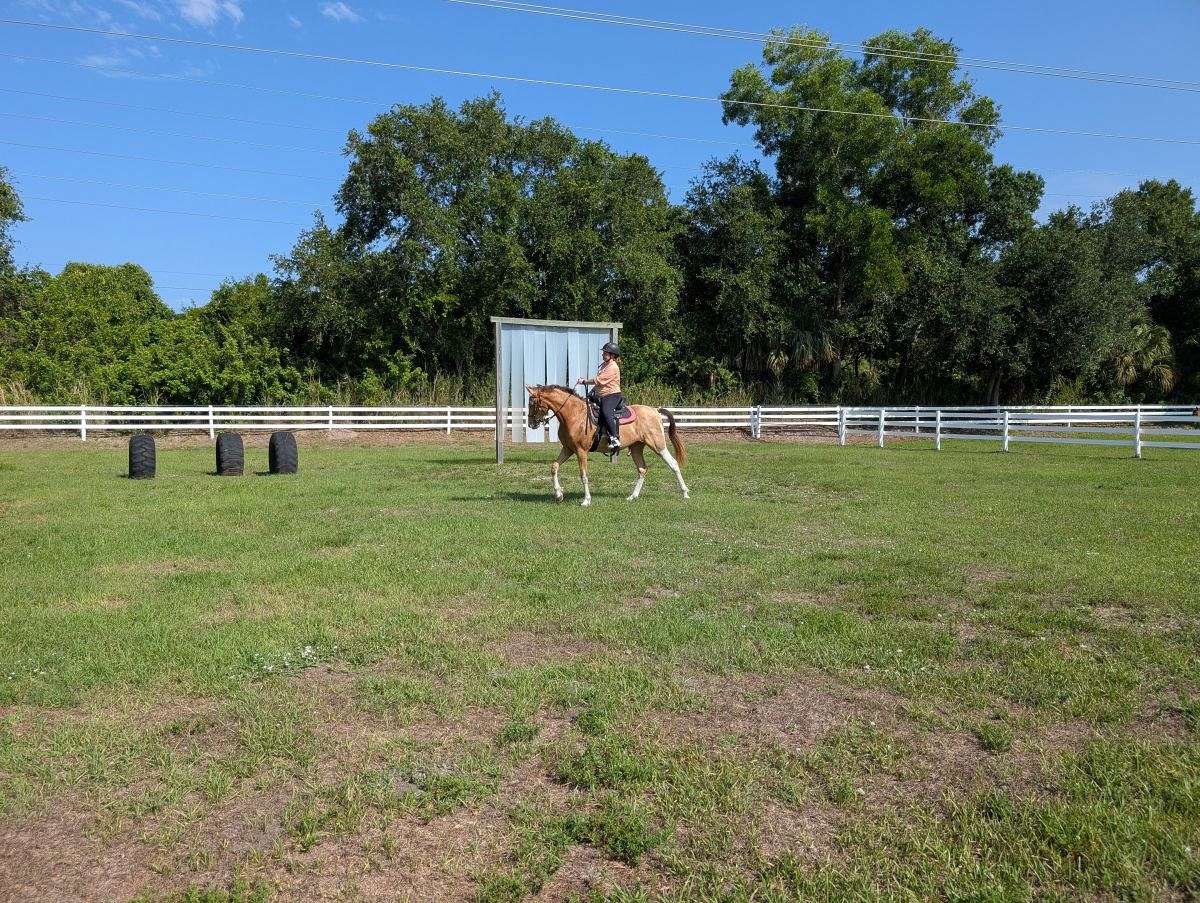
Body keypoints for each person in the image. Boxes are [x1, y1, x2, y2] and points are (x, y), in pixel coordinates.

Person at [576, 342, 623, 451]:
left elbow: (598, 380)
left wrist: (584, 381)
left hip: (612, 395)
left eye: (605, 353)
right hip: (602, 395)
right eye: (603, 353)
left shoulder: (613, 367)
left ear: (612, 355)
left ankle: (615, 438)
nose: (603, 354)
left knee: (606, 411)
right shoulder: (605, 365)